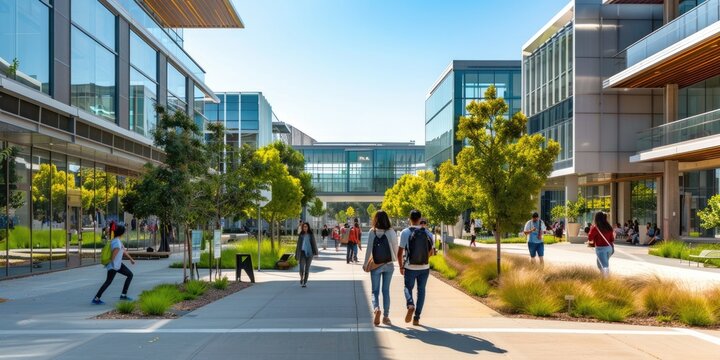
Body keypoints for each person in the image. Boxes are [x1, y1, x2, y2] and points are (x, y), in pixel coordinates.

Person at [398, 209, 434, 326]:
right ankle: (417, 317)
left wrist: (401, 266)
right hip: (424, 267)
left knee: (407, 288)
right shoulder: (428, 233)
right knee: (421, 291)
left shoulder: (405, 232)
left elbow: (400, 252)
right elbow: (431, 252)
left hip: (410, 267)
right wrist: (423, 259)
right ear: (420, 219)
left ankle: (410, 304)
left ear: (410, 219)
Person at [364, 210, 398, 326]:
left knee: (375, 291)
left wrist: (365, 264)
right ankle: (386, 317)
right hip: (388, 265)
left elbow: (368, 249)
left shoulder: (372, 232)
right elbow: (395, 248)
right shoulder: (391, 232)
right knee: (386, 291)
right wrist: (395, 259)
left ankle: (376, 309)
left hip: (376, 265)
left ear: (375, 219)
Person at [92, 224, 135, 304]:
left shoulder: (116, 240)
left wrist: (131, 259)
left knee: (130, 275)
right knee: (108, 282)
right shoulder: (117, 243)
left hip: (118, 265)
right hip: (114, 266)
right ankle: (96, 298)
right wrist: (112, 266)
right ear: (122, 233)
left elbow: (124, 251)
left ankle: (123, 295)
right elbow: (113, 257)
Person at [587, 212, 614, 277]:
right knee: (601, 264)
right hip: (609, 248)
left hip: (601, 249)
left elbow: (590, 238)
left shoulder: (595, 228)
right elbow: (612, 239)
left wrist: (591, 229)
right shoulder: (609, 227)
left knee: (603, 266)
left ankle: (605, 281)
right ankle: (602, 278)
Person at [295, 222, 318, 288]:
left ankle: (305, 282)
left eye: (306, 227)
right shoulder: (301, 235)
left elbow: (314, 243)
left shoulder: (311, 234)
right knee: (301, 268)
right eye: (304, 227)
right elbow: (298, 245)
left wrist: (316, 252)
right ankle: (301, 278)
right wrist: (297, 254)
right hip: (302, 253)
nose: (305, 228)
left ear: (308, 227)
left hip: (310, 253)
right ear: (302, 228)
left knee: (307, 269)